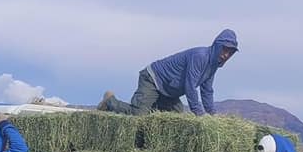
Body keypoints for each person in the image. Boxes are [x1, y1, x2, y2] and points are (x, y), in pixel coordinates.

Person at [98, 29, 239, 116]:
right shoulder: (200, 56)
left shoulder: (212, 66)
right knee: (139, 114)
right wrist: (200, 114)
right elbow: (190, 87)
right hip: (153, 79)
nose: (226, 55)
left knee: (175, 117)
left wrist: (212, 115)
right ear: (217, 46)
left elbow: (207, 91)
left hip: (168, 91)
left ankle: (149, 108)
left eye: (230, 52)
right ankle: (110, 101)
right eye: (224, 49)